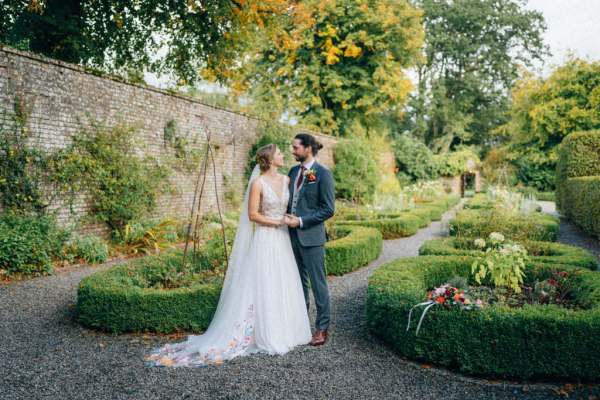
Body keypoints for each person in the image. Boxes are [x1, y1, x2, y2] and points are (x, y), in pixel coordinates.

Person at [145, 143, 312, 367]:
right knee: (263, 282)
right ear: (270, 159)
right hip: (266, 238)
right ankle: (263, 332)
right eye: (280, 153)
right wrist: (277, 221)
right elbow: (253, 215)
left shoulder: (287, 180)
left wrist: (290, 220)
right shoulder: (258, 183)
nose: (284, 155)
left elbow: (291, 206)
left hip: (282, 239)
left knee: (282, 281)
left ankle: (286, 329)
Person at [285, 133, 335, 346]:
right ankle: (300, 324)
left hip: (311, 237)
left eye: (296, 147)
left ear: (308, 148)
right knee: (297, 283)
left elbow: (328, 209)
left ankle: (322, 328)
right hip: (290, 236)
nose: (292, 151)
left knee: (318, 284)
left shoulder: (323, 174)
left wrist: (301, 221)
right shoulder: (293, 171)